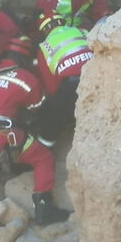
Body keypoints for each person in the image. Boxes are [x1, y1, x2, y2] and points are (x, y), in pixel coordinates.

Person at [0, 36, 71, 226]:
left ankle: (1, 163)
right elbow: (37, 108)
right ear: (25, 59)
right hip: (2, 134)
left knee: (14, 133)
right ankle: (44, 209)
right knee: (44, 157)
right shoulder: (25, 78)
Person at [34, 14, 94, 147]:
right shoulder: (83, 31)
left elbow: (52, 87)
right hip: (98, 77)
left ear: (44, 30)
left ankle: (45, 146)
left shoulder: (44, 47)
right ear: (63, 22)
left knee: (50, 114)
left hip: (73, 86)